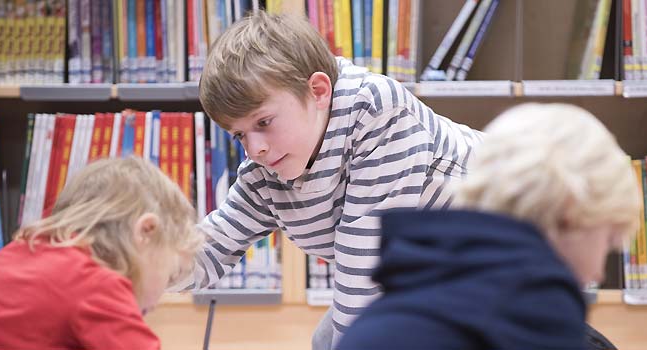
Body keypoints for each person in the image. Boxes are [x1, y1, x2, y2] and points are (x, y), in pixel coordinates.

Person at [182, 10, 483, 349]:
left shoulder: (376, 112)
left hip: (505, 238)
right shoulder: (264, 176)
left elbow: (365, 261)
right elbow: (209, 249)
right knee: (328, 340)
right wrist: (135, 261)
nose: (255, 150)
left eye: (263, 123)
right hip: (424, 267)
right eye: (239, 135)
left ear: (318, 90)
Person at [337, 103, 641, 350]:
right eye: (608, 241)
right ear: (571, 209)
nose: (599, 273)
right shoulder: (534, 304)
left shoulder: (397, 300)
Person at [0, 157, 203, 349]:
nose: (164, 293)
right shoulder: (95, 283)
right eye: (171, 276)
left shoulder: (22, 249)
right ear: (146, 231)